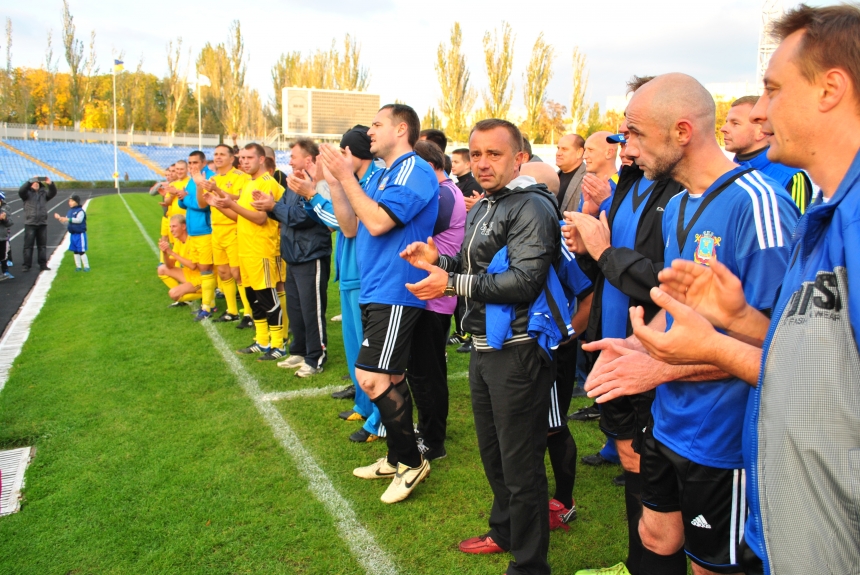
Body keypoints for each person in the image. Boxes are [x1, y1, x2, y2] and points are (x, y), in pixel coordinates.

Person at [621, 6, 860, 574]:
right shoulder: (826, 212)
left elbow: (834, 391)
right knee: (659, 538)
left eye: (772, 90)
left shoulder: (772, 205)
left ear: (831, 89)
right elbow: (811, 354)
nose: (757, 112)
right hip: (778, 484)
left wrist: (691, 355)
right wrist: (739, 322)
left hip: (748, 454)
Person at [581, 73, 799, 575]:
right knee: (656, 534)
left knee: (709, 565)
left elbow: (779, 347)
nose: (626, 149)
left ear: (682, 131)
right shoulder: (678, 203)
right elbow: (679, 307)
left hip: (724, 438)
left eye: (634, 133)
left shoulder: (757, 205)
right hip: (669, 420)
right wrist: (640, 345)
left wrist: (661, 369)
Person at [401, 118, 559, 574]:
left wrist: (450, 280)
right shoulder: (486, 203)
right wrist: (439, 259)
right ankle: (505, 531)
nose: (483, 163)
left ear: (519, 158)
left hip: (519, 346)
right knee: (494, 453)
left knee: (521, 460)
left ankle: (530, 564)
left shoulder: (530, 205)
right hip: (485, 344)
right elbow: (479, 265)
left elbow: (524, 281)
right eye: (476, 154)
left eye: (494, 154)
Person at [565, 99, 684, 573]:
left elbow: (664, 280)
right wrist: (590, 247)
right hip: (613, 344)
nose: (622, 143)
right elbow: (605, 267)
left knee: (660, 480)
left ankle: (647, 561)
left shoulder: (676, 193)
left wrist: (604, 249)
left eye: (630, 133)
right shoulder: (629, 188)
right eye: (620, 133)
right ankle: (636, 561)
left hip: (651, 352)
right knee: (632, 462)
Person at [319, 103, 438, 504]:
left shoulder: (415, 171)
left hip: (397, 289)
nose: (369, 132)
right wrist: (339, 181)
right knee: (391, 378)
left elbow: (378, 221)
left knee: (370, 378)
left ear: (401, 129)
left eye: (376, 124)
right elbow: (351, 226)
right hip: (375, 288)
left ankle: (412, 460)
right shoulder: (382, 173)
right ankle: (395, 456)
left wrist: (347, 177)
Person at [302, 125, 385, 441]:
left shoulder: (373, 182)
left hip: (366, 274)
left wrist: (318, 191)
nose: (339, 157)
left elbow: (345, 225)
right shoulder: (355, 181)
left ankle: (380, 418)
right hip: (350, 272)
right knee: (354, 347)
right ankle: (364, 405)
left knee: (370, 352)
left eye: (344, 152)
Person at [408, 140, 467, 461]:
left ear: (428, 165)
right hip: (434, 292)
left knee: (425, 371)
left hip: (434, 296)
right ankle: (430, 430)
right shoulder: (446, 190)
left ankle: (432, 440)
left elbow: (410, 227)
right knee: (426, 369)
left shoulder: (443, 193)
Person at [255, 138, 333, 377]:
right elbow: (287, 214)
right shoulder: (294, 182)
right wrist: (270, 205)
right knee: (297, 308)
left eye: (293, 156)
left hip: (312, 254)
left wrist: (273, 207)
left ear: (307, 159)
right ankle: (299, 350)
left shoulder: (318, 185)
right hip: (293, 254)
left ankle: (316, 356)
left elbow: (304, 217)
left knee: (312, 309)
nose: (289, 161)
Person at [207, 143, 287, 361]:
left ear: (262, 159)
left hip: (262, 249)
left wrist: (229, 205)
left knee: (268, 299)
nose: (243, 161)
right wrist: (219, 203)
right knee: (254, 299)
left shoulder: (266, 183)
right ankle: (262, 341)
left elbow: (261, 218)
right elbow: (240, 217)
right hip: (247, 249)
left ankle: (278, 344)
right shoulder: (250, 183)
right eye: (241, 158)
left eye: (249, 157)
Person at [721, 95, 813, 213]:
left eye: (735, 123)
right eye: (726, 122)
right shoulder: (722, 174)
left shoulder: (791, 177)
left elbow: (795, 229)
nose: (723, 128)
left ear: (761, 131)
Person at [207, 144, 252, 325]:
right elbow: (204, 203)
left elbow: (241, 199)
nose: (217, 157)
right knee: (224, 272)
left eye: (222, 154)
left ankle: (248, 313)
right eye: (215, 154)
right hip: (216, 229)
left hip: (233, 227)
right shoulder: (213, 178)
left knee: (237, 272)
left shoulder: (240, 177)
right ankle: (232, 310)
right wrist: (198, 183)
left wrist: (217, 191)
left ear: (232, 158)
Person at [177, 151, 217, 320]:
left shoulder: (208, 178)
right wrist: (182, 198)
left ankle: (206, 307)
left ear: (203, 162)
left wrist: (186, 199)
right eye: (190, 163)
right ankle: (211, 304)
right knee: (202, 269)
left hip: (205, 230)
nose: (192, 166)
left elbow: (202, 205)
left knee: (206, 269)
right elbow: (183, 202)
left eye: (195, 162)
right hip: (194, 231)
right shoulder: (191, 180)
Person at [157, 214, 202, 305]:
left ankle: (207, 294)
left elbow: (193, 266)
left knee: (173, 294)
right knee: (161, 269)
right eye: (170, 227)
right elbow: (170, 266)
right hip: (189, 274)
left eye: (174, 226)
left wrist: (172, 252)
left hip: (201, 278)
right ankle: (184, 292)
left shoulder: (193, 240)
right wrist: (165, 252)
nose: (171, 230)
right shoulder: (178, 242)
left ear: (184, 226)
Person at [18, 177, 57, 272]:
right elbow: (21, 191)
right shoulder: (26, 194)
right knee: (28, 246)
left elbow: (53, 193)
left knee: (42, 246)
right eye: (34, 183)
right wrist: (30, 180)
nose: (36, 184)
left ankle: (43, 264)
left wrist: (50, 184)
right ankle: (26, 265)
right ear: (31, 184)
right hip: (30, 223)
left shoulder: (44, 194)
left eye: (37, 183)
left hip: (42, 223)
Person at [579, 132, 619, 216]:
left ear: (609, 153)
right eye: (585, 150)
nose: (584, 156)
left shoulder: (622, 187)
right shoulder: (589, 186)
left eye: (590, 150)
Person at [54, 194, 89, 272]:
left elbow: (78, 220)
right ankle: (78, 267)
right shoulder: (70, 212)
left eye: (72, 201)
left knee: (81, 251)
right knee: (75, 251)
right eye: (69, 201)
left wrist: (67, 219)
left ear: (76, 202)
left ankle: (86, 266)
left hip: (80, 234)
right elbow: (66, 223)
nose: (70, 202)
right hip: (73, 234)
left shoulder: (80, 211)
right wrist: (60, 219)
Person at [556, 134, 587, 213]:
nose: (558, 153)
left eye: (564, 149)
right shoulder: (554, 177)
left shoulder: (588, 179)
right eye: (558, 148)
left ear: (579, 152)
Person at [0, 192, 13, 281]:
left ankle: (5, 272)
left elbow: (10, 223)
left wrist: (4, 219)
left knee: (3, 255)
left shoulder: (4, 211)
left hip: (2, 237)